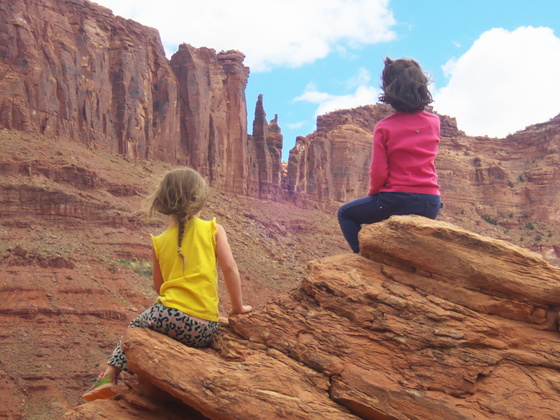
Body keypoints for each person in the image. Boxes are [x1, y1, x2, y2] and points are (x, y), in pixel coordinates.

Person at [82, 167, 253, 402]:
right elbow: (230, 269)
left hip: (167, 319)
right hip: (205, 329)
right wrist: (237, 308)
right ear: (200, 198)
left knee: (134, 327)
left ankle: (109, 376)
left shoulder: (159, 241)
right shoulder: (213, 229)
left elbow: (159, 286)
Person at [337, 57, 442, 253]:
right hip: (431, 203)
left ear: (389, 91)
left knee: (345, 213)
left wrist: (374, 194)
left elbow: (378, 171)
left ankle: (363, 258)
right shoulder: (434, 122)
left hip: (396, 200)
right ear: (422, 86)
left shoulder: (384, 127)